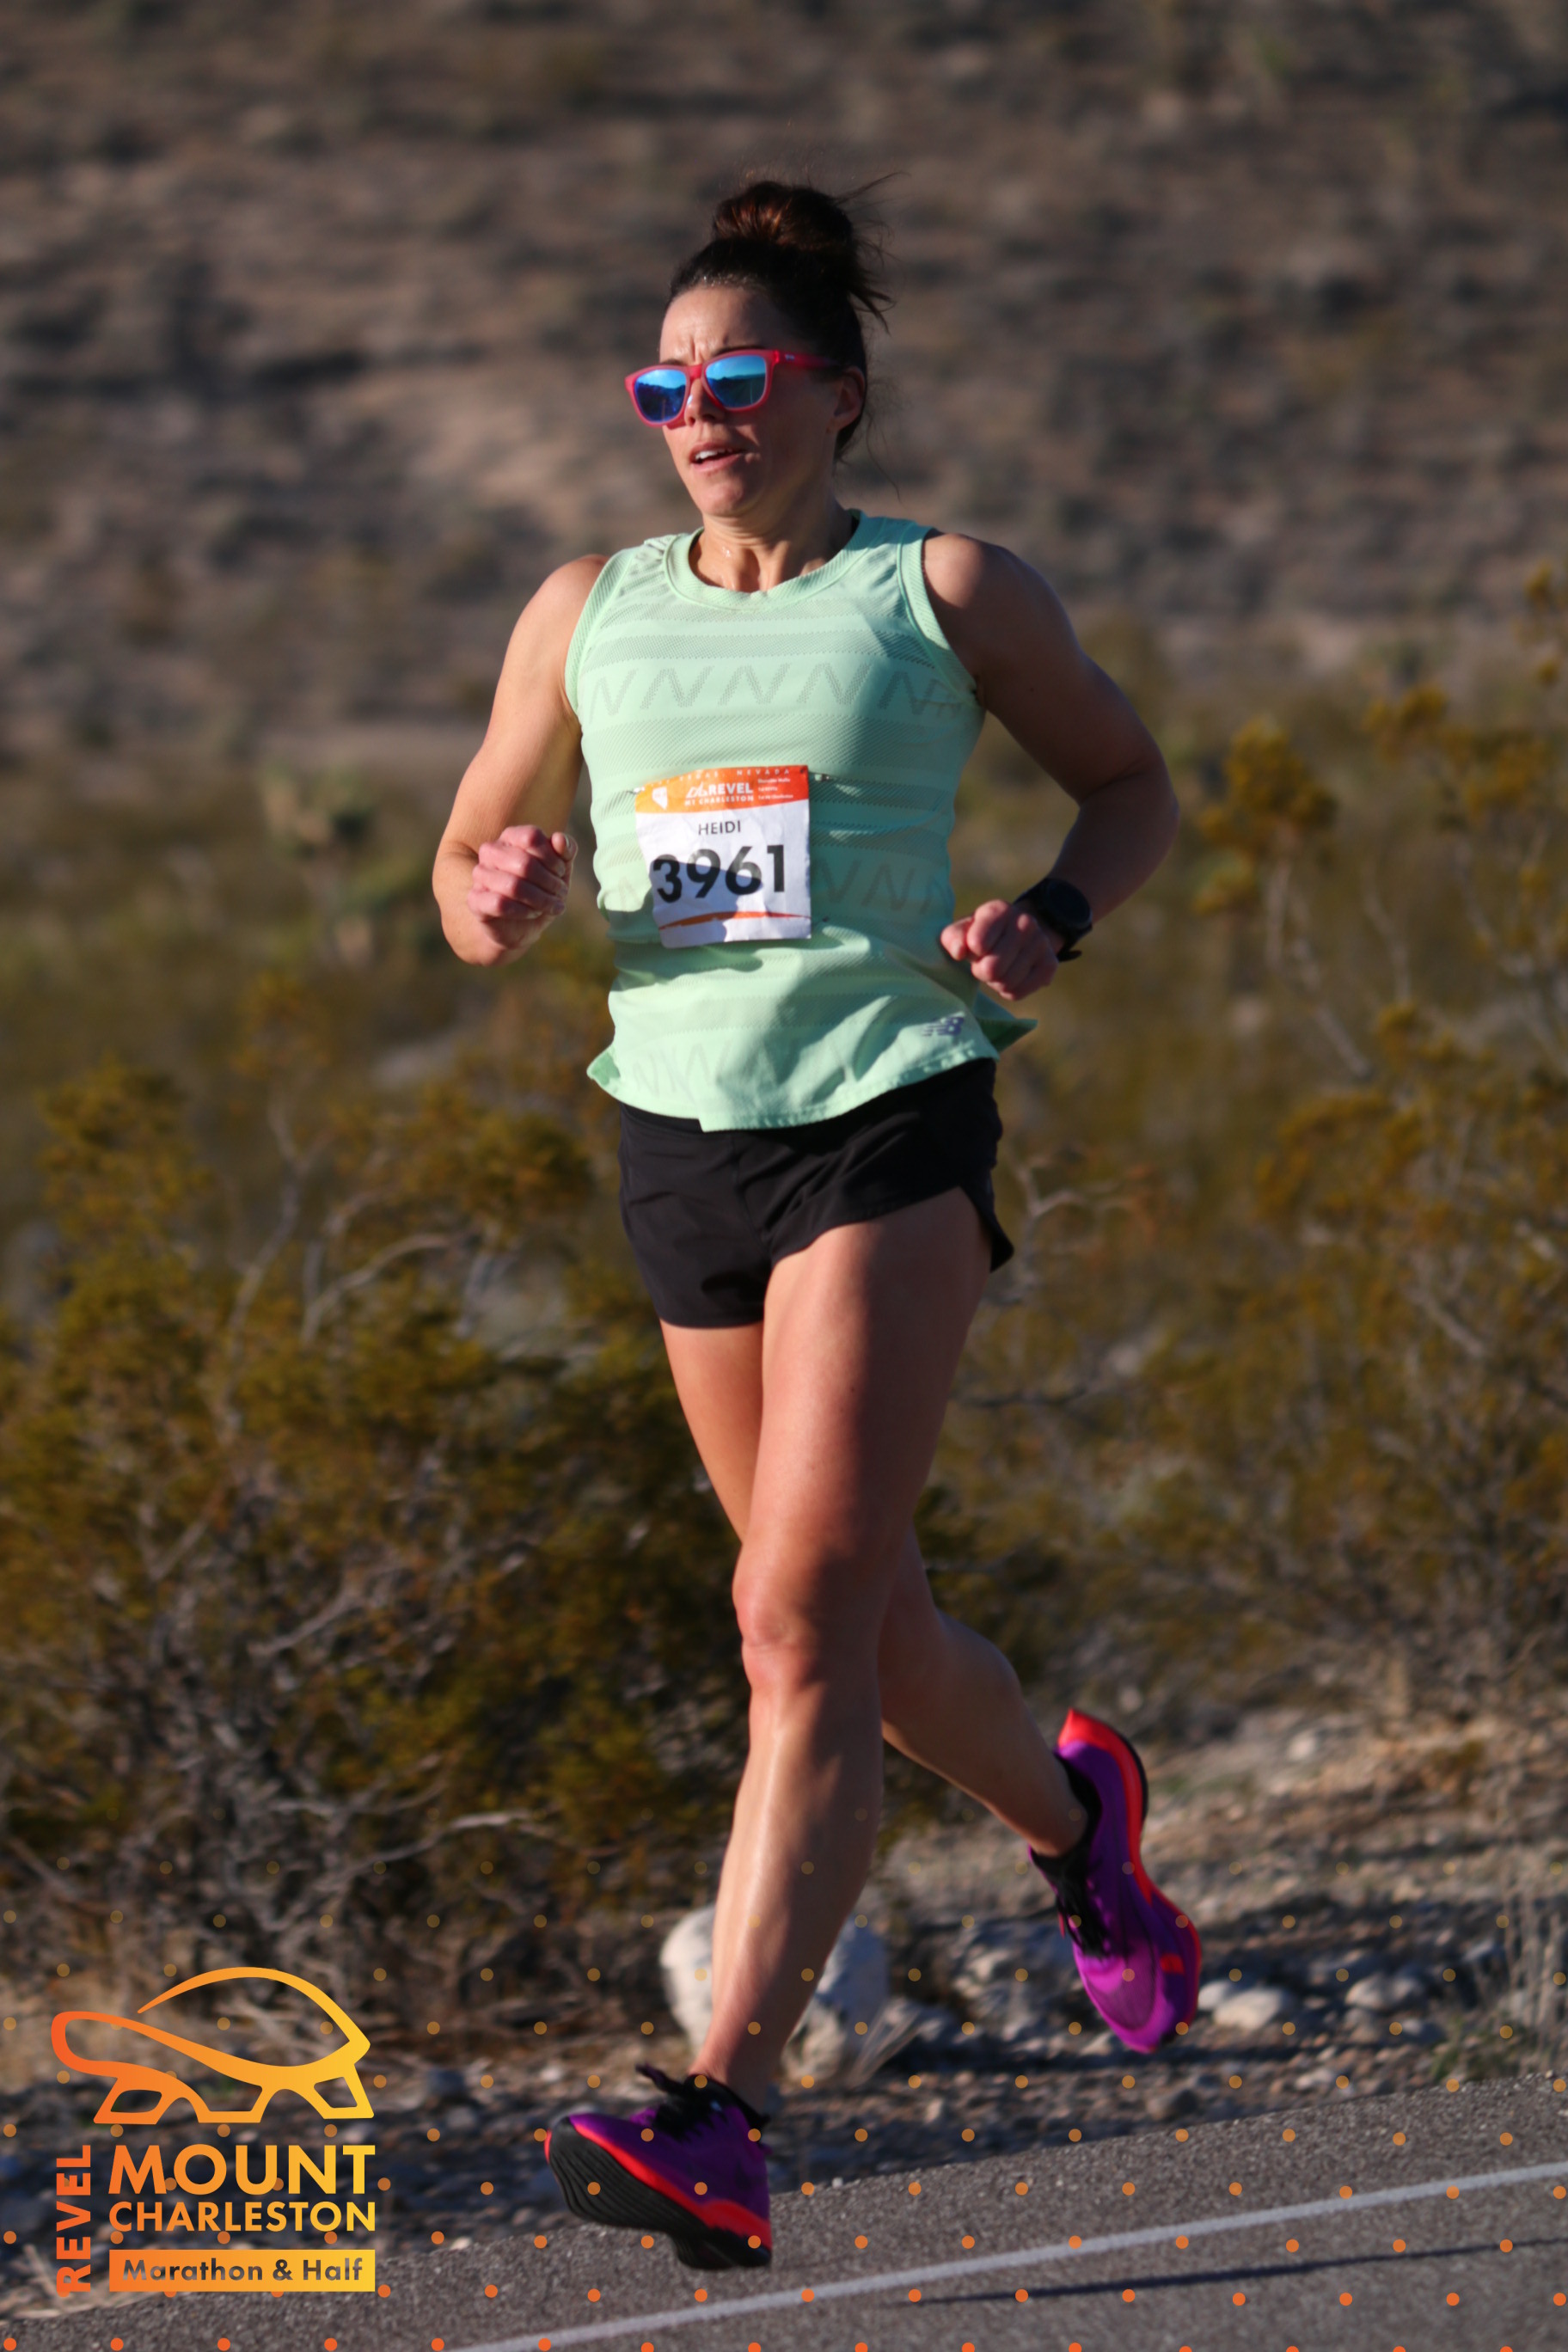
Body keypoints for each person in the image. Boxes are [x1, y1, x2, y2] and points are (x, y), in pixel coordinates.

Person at [432, 179, 1199, 2275]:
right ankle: (1079, 1826)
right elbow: (470, 857)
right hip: (680, 1142)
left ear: (837, 396)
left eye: (742, 377)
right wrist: (496, 897)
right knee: (870, 1644)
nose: (700, 413)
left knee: (791, 1622)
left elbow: (1132, 785)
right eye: (666, 386)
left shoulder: (937, 588)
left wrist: (1051, 918)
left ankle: (722, 2112)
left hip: (885, 1117)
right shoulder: (586, 609)